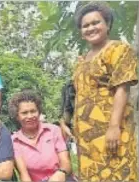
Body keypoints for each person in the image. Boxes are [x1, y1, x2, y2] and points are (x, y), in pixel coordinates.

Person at [65, 2, 138, 181]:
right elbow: (75, 94)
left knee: (118, 174)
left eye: (96, 23)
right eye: (85, 25)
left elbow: (122, 88)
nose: (91, 28)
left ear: (107, 24)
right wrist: (66, 121)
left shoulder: (119, 49)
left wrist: (114, 127)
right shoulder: (82, 60)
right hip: (86, 136)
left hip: (111, 130)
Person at [9, 90, 74, 182]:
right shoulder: (14, 141)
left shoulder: (53, 130)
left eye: (33, 111)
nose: (30, 116)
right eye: (24, 113)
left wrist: (60, 173)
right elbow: (24, 175)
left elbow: (66, 163)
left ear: (39, 112)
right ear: (17, 116)